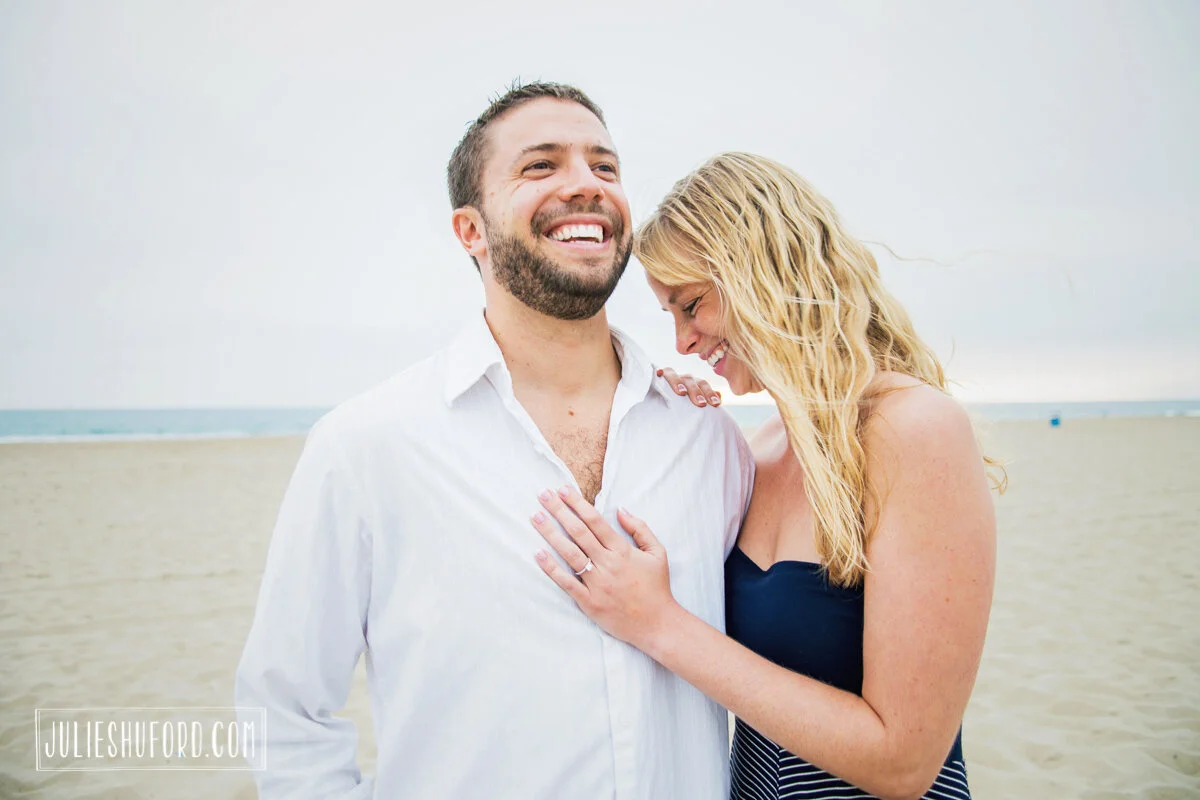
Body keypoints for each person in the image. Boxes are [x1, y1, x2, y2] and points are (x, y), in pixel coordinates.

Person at [234, 84, 754, 799]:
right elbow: (287, 712)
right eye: (541, 165)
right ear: (470, 231)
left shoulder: (708, 439)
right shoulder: (366, 448)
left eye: (605, 166)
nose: (586, 184)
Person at [530, 152, 1003, 800]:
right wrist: (669, 420)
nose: (683, 341)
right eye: (670, 316)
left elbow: (904, 762)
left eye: (691, 304)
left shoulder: (915, 430)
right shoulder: (756, 452)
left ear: (763, 272)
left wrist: (659, 624)